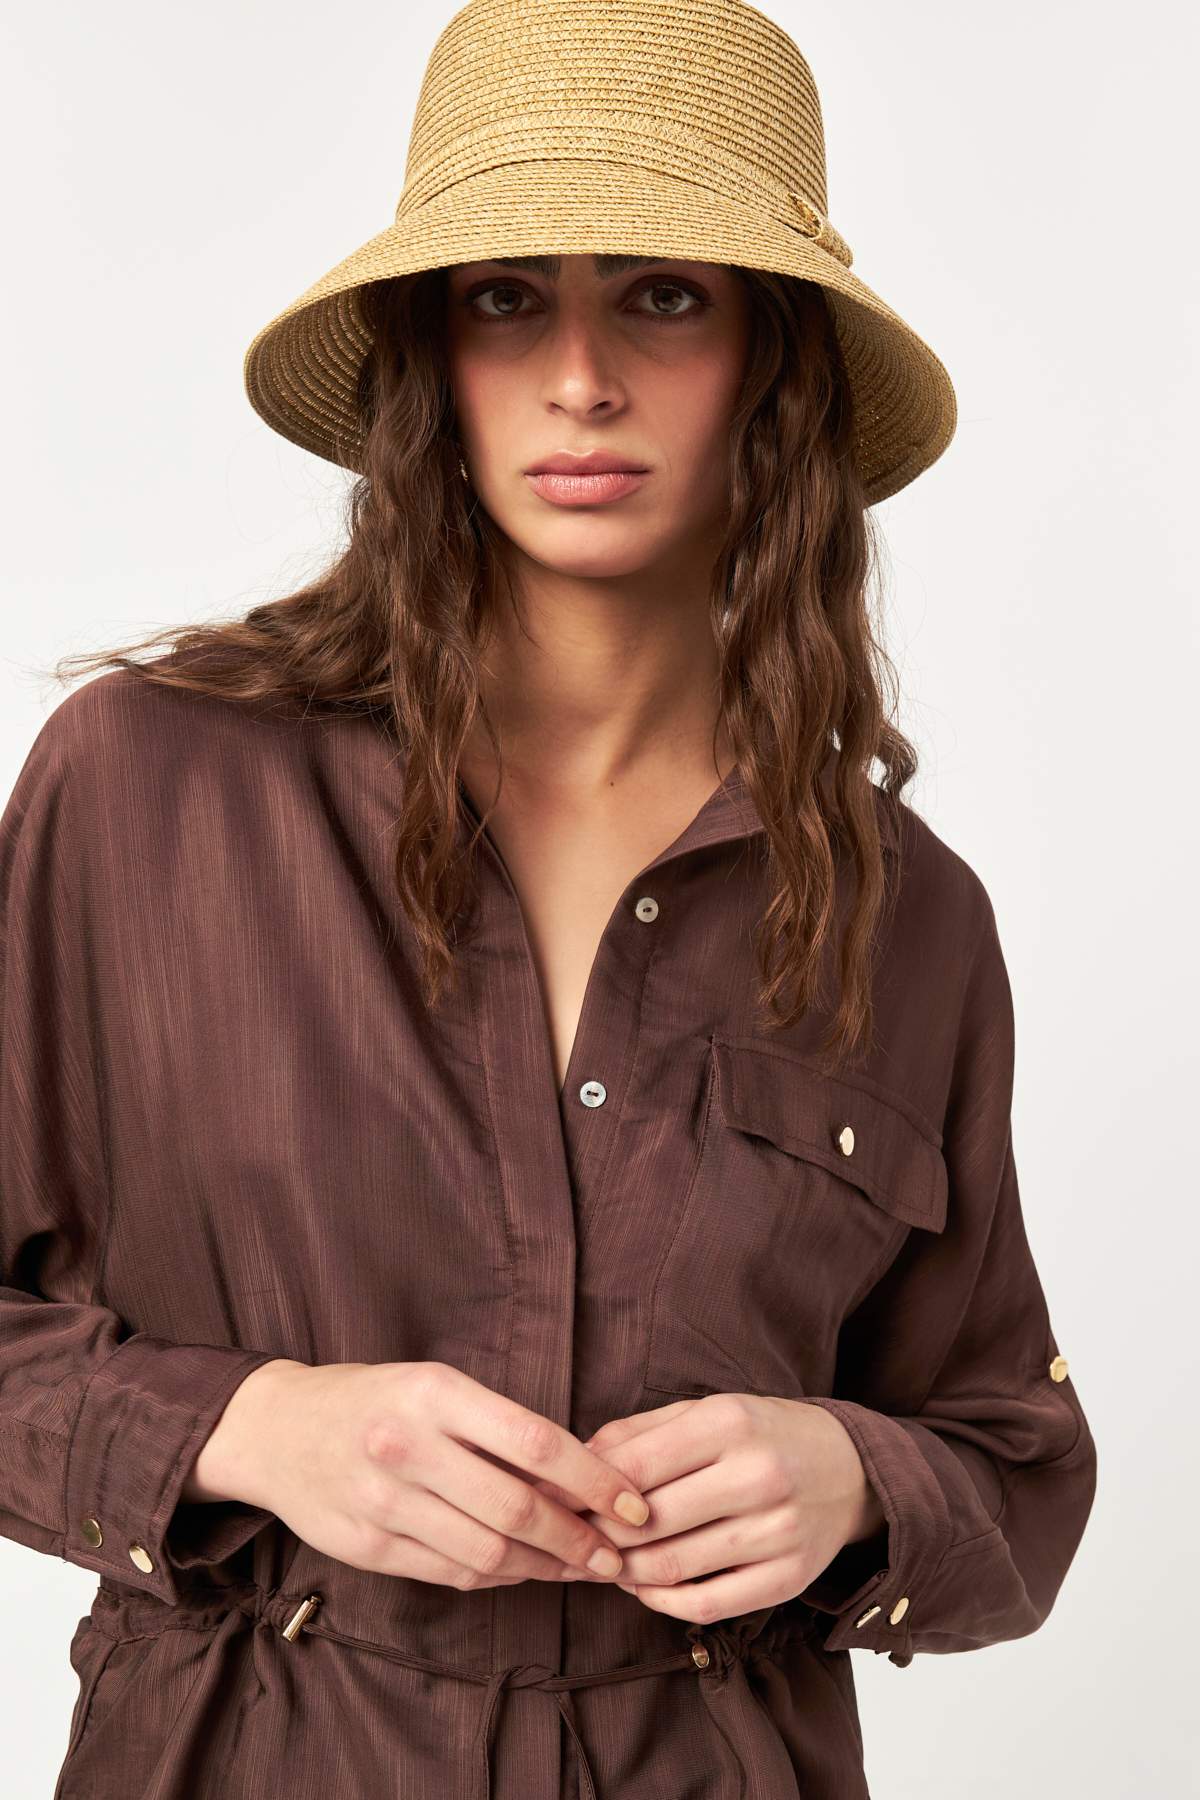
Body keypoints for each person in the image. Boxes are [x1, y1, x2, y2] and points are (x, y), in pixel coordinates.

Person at [1, 1, 1097, 1795]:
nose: (580, 378)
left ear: (774, 363)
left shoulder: (906, 916)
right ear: (433, 357)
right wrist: (253, 1428)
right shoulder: (151, 791)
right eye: (509, 298)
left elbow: (1016, 1460)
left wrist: (851, 1480)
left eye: (663, 296)